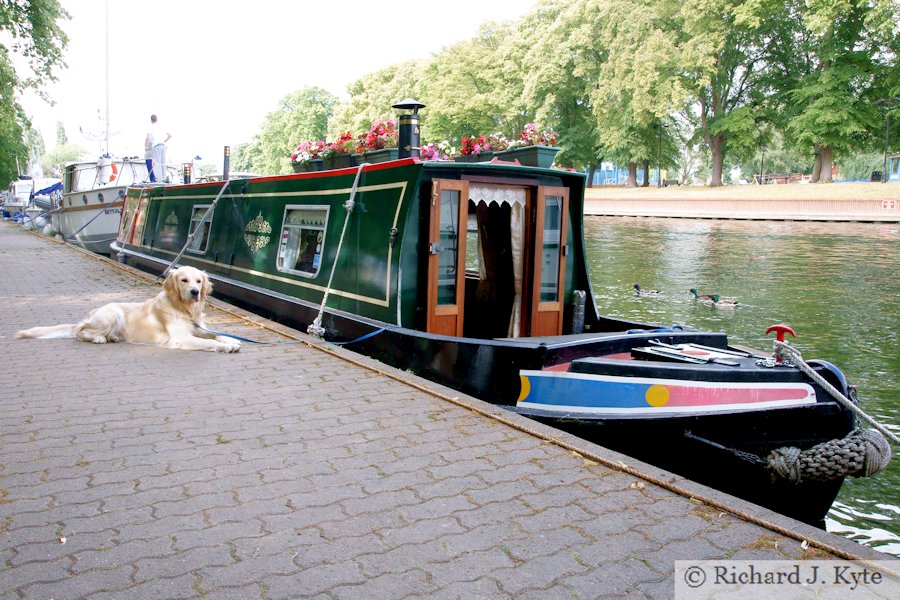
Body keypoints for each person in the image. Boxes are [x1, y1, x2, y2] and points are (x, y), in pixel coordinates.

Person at [145, 114, 171, 183]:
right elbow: (170, 135)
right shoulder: (161, 126)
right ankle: (164, 178)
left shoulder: (151, 127)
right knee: (163, 162)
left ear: (151, 120)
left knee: (158, 163)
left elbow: (148, 138)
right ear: (157, 119)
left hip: (156, 145)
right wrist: (164, 141)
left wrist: (146, 147)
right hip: (163, 145)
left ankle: (160, 181)